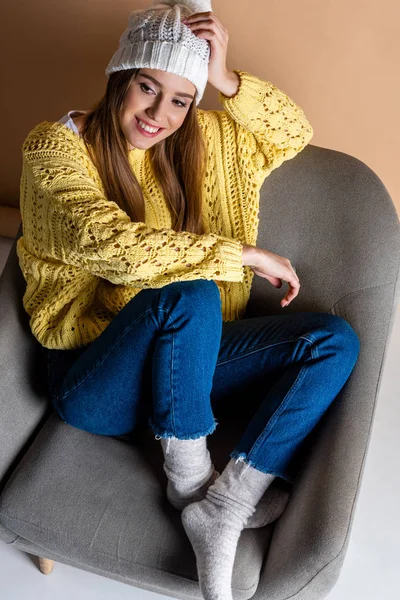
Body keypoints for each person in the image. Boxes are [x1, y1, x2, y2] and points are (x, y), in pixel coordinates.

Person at [16, 1, 360, 598]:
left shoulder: (205, 140)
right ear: (120, 78)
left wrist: (224, 79)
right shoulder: (55, 147)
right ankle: (189, 478)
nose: (159, 114)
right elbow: (109, 245)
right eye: (147, 87)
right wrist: (241, 255)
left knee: (333, 341)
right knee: (190, 287)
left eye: (181, 98)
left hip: (185, 362)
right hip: (97, 379)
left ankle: (225, 505)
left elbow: (292, 132)